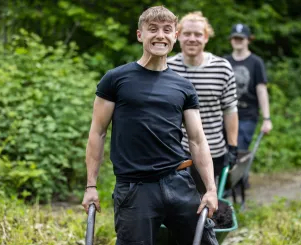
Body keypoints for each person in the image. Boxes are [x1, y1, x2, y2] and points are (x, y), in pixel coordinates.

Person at [81, 6, 219, 245]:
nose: (160, 35)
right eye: (152, 29)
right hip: (135, 189)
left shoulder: (183, 86)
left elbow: (197, 139)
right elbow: (98, 132)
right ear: (139, 35)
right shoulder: (115, 79)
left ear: (175, 36)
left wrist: (210, 189)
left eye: (167, 30)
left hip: (178, 182)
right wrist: (90, 186)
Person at [167, 12, 238, 193]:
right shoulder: (166, 68)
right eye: (187, 33)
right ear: (178, 36)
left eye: (198, 34)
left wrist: (233, 146)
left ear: (206, 37)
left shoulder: (222, 68)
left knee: (207, 203)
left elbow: (230, 110)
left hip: (212, 150)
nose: (192, 39)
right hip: (175, 152)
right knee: (179, 206)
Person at [225, 23, 273, 151]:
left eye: (241, 38)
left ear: (248, 40)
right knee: (222, 154)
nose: (238, 41)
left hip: (247, 116)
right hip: (225, 115)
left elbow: (262, 91)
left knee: (238, 151)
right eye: (235, 38)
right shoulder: (225, 62)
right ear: (231, 40)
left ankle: (238, 172)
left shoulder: (256, 62)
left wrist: (267, 118)